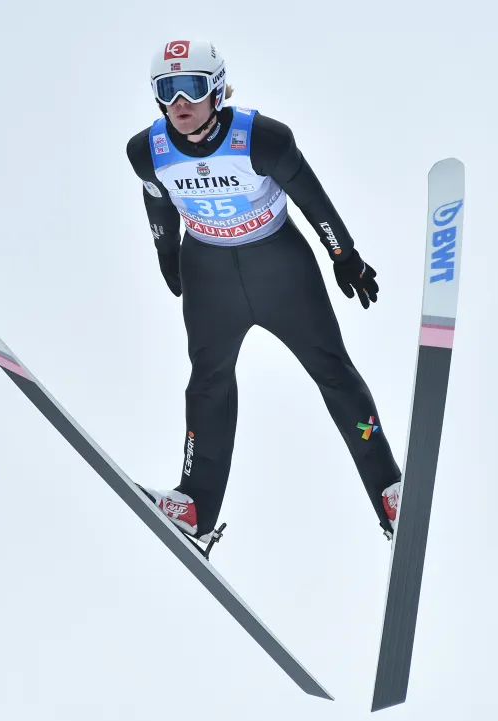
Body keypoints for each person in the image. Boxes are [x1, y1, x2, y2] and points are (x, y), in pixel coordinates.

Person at [126, 39, 403, 543]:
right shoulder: (147, 151)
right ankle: (195, 507)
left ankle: (390, 492)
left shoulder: (261, 138)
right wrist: (168, 259)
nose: (179, 104)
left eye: (190, 88)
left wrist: (344, 255)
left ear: (214, 88)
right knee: (208, 383)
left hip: (280, 268)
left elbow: (312, 198)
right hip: (208, 274)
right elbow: (159, 208)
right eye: (167, 91)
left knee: (333, 371)